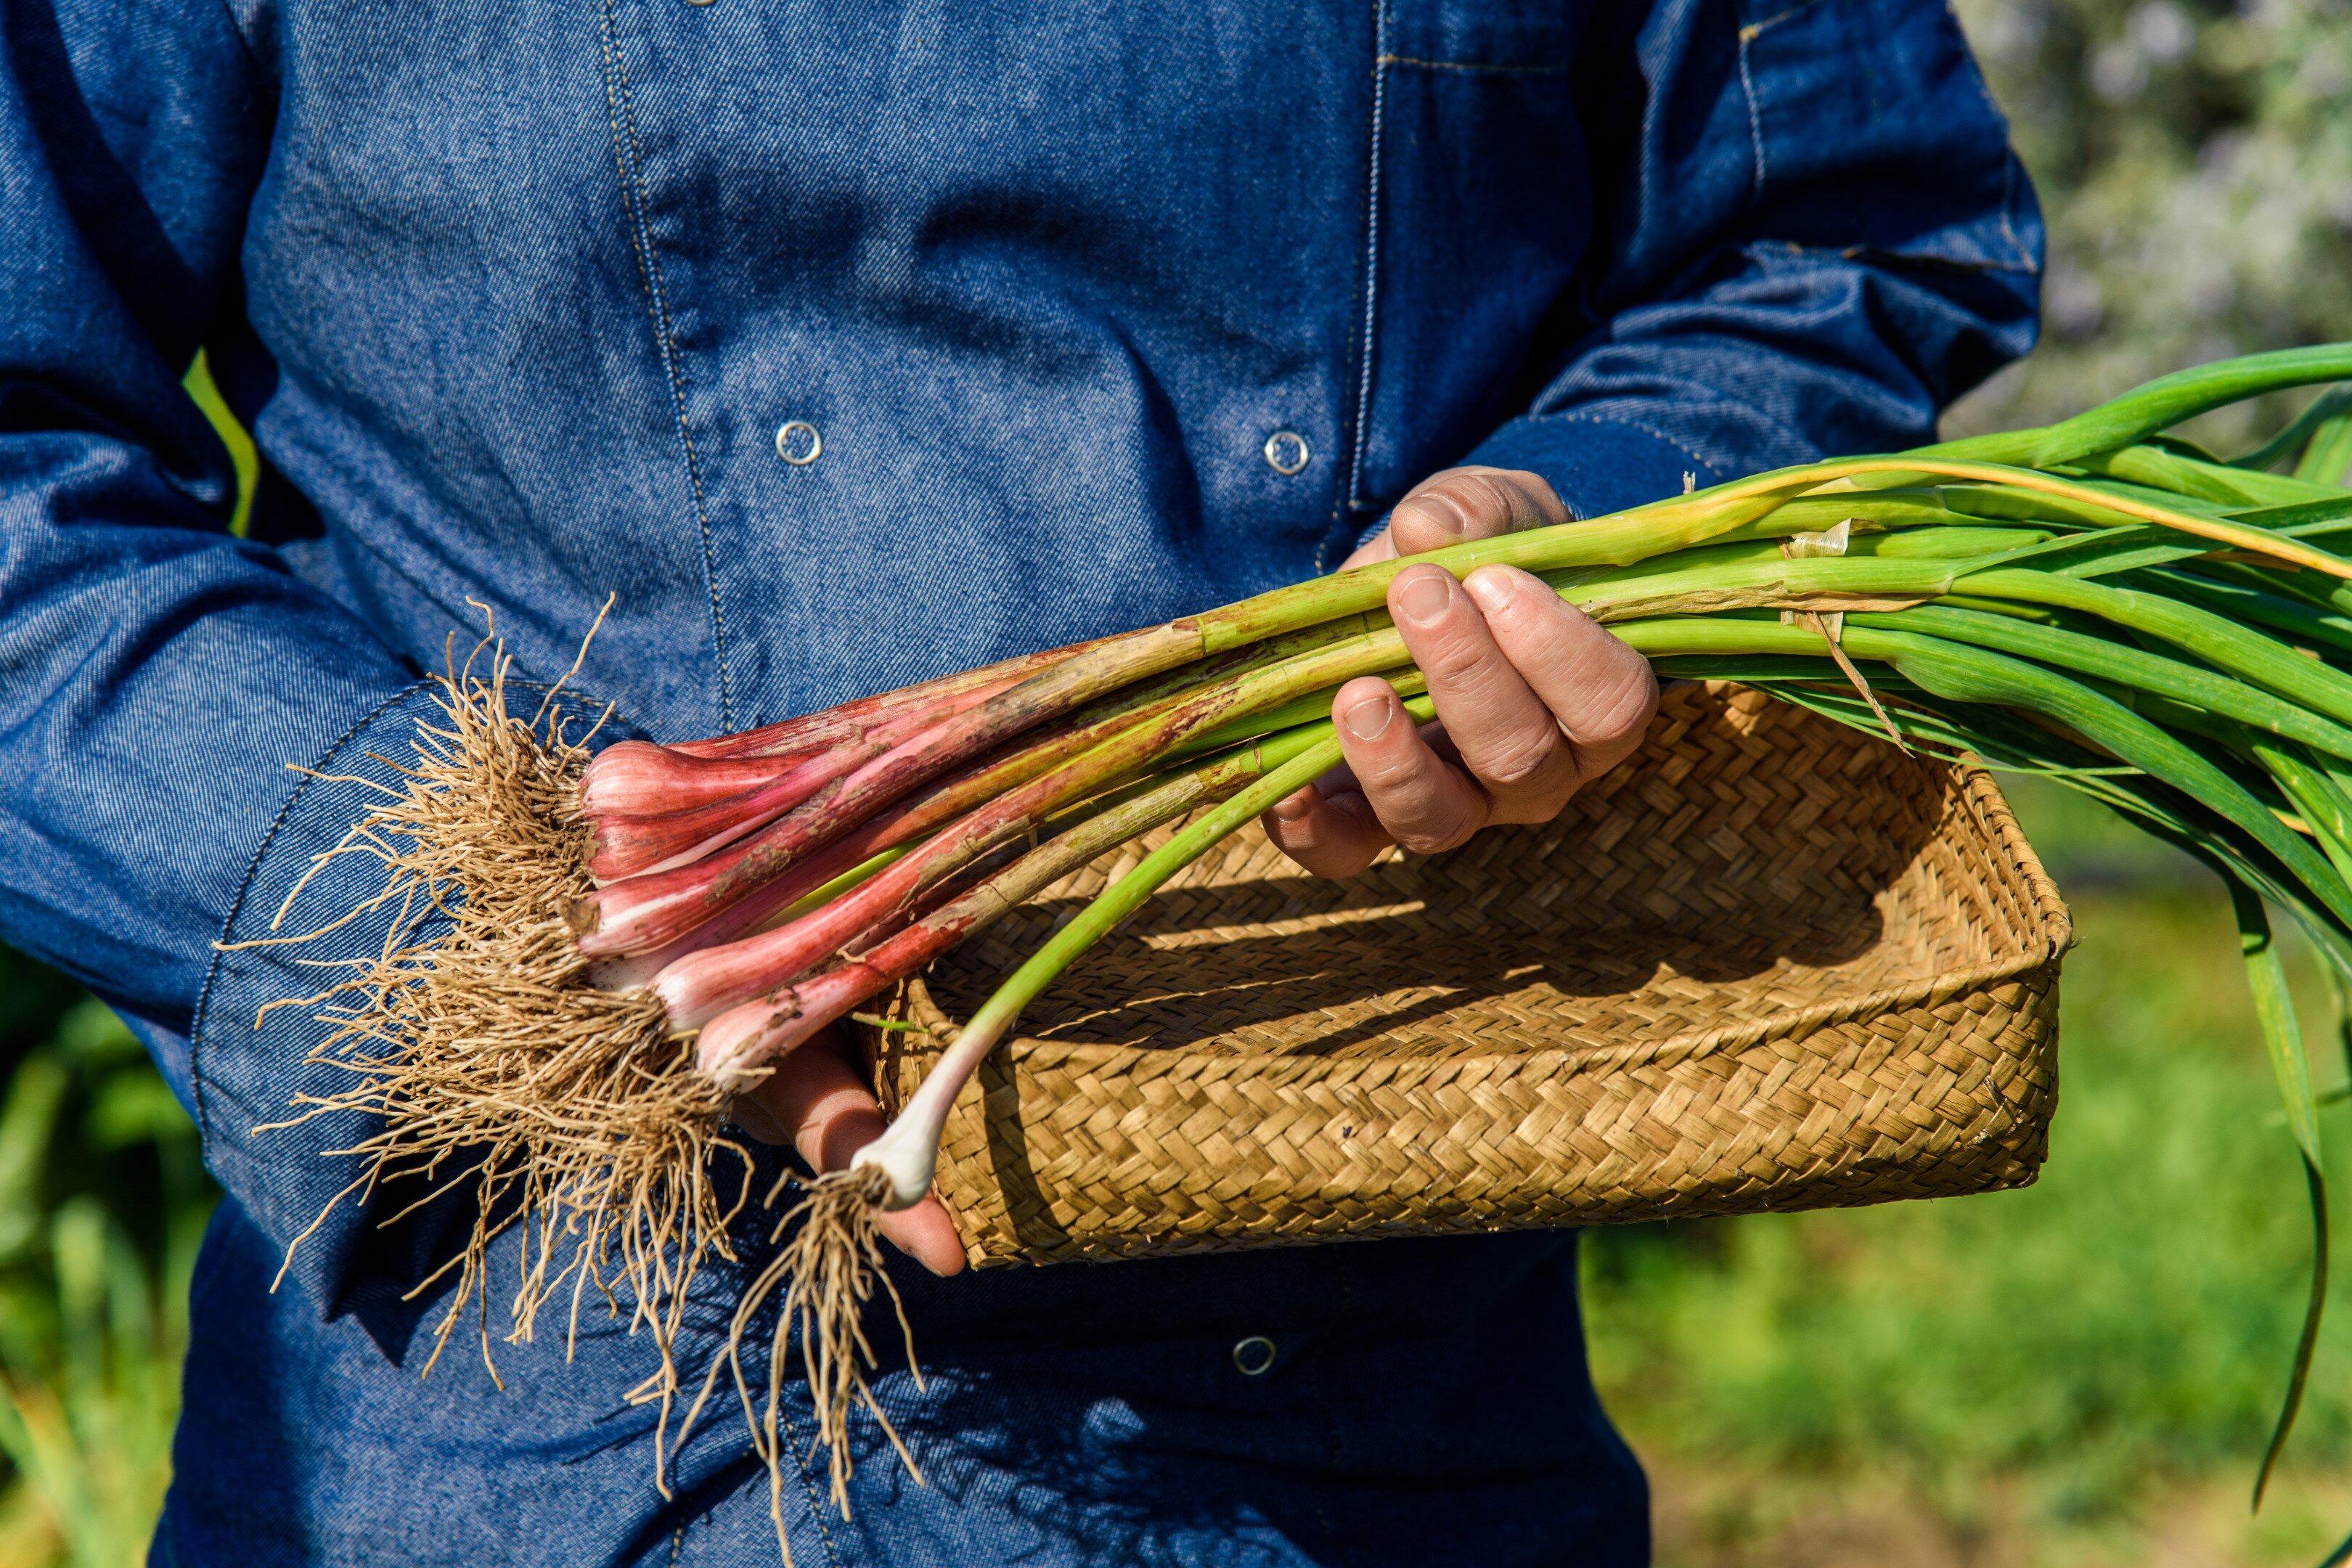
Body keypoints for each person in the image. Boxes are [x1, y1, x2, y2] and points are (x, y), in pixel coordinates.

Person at [0, 0, 2039, 1561]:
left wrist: (1572, 531)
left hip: (1385, 1389)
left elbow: (1838, 236)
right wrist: (530, 920)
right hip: (560, 1384)